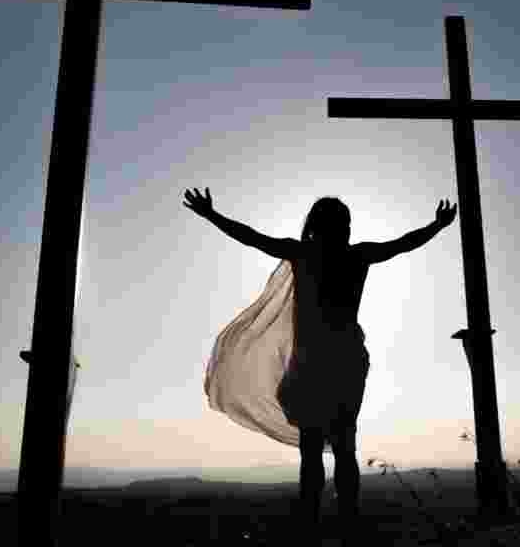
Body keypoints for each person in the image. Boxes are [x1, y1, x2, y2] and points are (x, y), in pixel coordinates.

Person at [183, 188, 457, 544]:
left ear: (314, 225)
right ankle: (347, 521)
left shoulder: (304, 253)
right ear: (344, 226)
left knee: (312, 450)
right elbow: (405, 243)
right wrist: (436, 225)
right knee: (344, 445)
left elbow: (251, 238)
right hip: (344, 361)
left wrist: (211, 215)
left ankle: (313, 522)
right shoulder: (357, 255)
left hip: (314, 364)